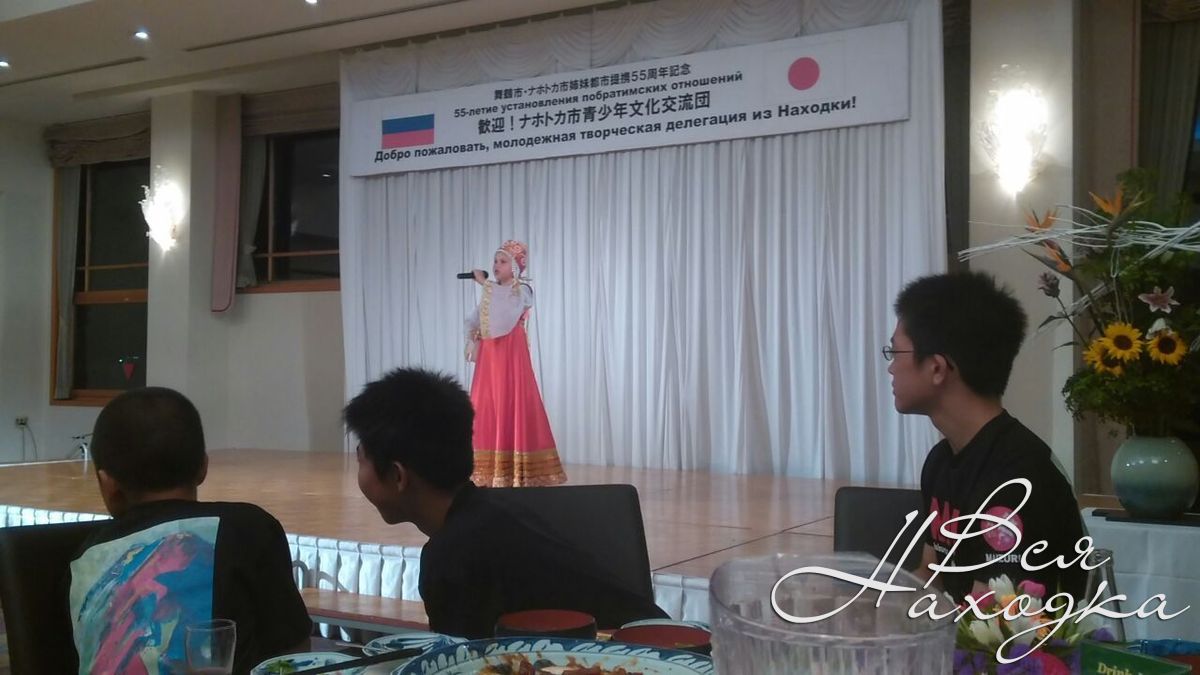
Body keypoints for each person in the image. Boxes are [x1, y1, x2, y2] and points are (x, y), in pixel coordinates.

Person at [344, 367, 667, 639]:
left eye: (361, 460)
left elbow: (465, 666)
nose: (358, 470)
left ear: (397, 476)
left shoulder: (454, 557)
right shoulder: (489, 515)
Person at [68, 388, 310, 674]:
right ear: (203, 467)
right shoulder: (249, 529)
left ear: (107, 483)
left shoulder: (84, 558)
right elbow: (294, 654)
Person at [887, 272, 1086, 602]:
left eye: (895, 353)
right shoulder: (941, 461)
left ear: (937, 368)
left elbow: (994, 613)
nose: (891, 368)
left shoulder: (1017, 476)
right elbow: (931, 574)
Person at [465, 239, 566, 487]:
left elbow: (505, 316)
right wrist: (473, 334)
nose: (496, 265)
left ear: (514, 267)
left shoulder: (522, 291)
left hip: (510, 353)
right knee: (488, 402)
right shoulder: (493, 292)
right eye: (495, 261)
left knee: (511, 399)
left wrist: (484, 284)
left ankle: (516, 466)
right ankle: (488, 468)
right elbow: (478, 319)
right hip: (491, 357)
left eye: (502, 261)